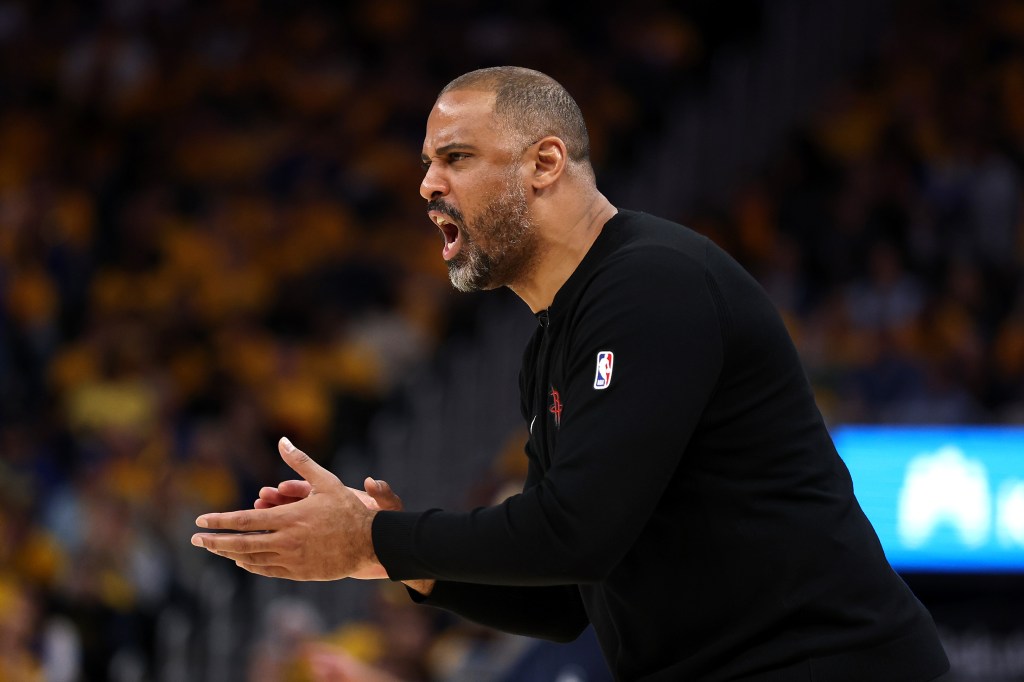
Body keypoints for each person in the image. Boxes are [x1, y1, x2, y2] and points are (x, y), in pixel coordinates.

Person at [192, 66, 950, 681]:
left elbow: (575, 533)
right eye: (426, 163)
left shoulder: (652, 285)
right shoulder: (555, 339)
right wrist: (402, 565)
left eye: (454, 158)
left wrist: (380, 539)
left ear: (544, 164)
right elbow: (571, 599)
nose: (425, 185)